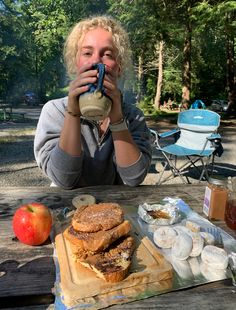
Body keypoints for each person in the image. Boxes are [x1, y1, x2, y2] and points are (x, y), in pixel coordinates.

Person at [34, 15, 152, 189]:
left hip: (113, 207)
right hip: (67, 209)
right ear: (76, 63)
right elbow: (63, 180)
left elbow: (134, 178)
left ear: (118, 67)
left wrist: (117, 119)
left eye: (108, 54)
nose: (96, 61)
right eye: (87, 53)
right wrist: (73, 113)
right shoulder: (55, 111)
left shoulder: (133, 116)